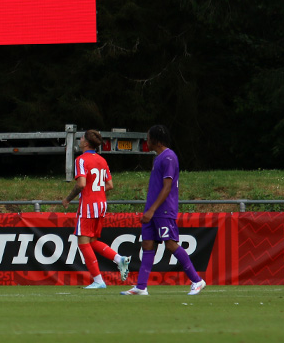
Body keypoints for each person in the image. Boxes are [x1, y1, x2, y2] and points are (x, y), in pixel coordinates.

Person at [121, 124, 207, 296]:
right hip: (153, 209)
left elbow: (167, 187)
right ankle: (141, 287)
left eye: (148, 137)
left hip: (163, 210)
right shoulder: (158, 158)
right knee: (147, 244)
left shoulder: (169, 157)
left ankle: (197, 280)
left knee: (170, 244)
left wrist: (152, 210)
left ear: (156, 139)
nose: (146, 140)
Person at [62, 129, 131, 289]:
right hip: (101, 204)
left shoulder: (81, 160)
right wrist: (96, 190)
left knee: (82, 241)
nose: (79, 139)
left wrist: (67, 199)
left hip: (88, 204)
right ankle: (119, 259)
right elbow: (110, 185)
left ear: (86, 143)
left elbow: (81, 184)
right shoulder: (102, 160)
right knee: (92, 241)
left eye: (81, 138)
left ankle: (98, 280)